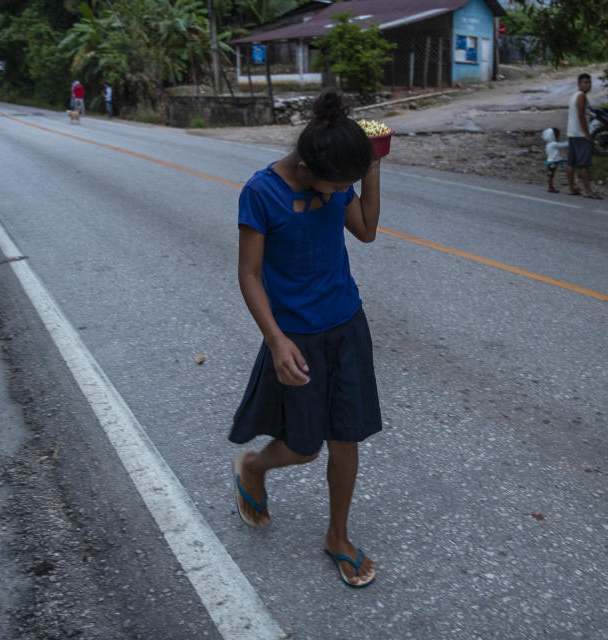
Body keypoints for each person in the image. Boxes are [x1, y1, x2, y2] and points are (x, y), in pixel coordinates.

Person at [230, 90, 382, 589]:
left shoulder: (336, 177)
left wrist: (372, 168)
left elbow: (366, 231)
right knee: (303, 447)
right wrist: (275, 341)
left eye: (348, 186)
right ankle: (253, 466)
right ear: (308, 169)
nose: (343, 193)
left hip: (346, 325)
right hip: (295, 336)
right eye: (340, 185)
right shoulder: (261, 193)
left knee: (346, 439)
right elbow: (250, 275)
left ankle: (337, 536)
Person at [565, 73, 601, 199]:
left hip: (571, 132)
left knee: (571, 162)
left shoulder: (574, 96)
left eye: (589, 82)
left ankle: (571, 188)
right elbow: (581, 115)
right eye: (585, 82)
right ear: (579, 84)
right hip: (580, 133)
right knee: (584, 164)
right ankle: (587, 191)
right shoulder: (581, 97)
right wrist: (587, 133)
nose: (587, 85)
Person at [543, 127, 568, 193]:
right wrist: (569, 141)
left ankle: (550, 186)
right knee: (551, 175)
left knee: (550, 174)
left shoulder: (548, 145)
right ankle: (550, 187)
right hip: (553, 162)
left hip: (549, 161)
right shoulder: (554, 144)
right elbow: (562, 145)